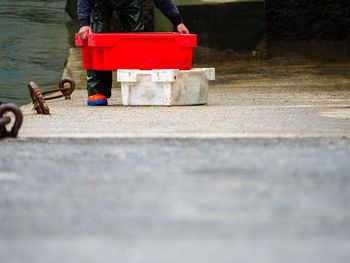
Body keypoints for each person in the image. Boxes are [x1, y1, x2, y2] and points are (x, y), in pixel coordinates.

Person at [77, 0, 190, 106]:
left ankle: (139, 87)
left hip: (131, 1)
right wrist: (84, 23)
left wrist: (178, 21)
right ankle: (97, 91)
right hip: (99, 2)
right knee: (96, 36)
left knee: (136, 38)